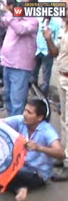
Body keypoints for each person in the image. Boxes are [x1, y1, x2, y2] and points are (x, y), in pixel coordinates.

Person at [0, 99, 65, 201]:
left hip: (36, 174)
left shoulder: (47, 131)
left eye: (29, 112)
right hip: (19, 164)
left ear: (40, 117)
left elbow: (61, 154)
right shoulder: (21, 120)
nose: (25, 114)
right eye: (25, 110)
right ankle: (19, 187)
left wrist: (39, 148)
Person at [0, 0, 39, 116]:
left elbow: (20, 30)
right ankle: (11, 123)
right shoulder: (14, 17)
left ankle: (16, 128)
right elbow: (0, 23)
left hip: (20, 66)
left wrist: (9, 13)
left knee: (17, 102)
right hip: (7, 63)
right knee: (7, 97)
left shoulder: (33, 21)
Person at [43, 1, 68, 180]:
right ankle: (64, 155)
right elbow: (55, 52)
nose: (62, 13)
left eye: (65, 9)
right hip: (61, 76)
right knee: (63, 119)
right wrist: (48, 38)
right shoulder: (63, 28)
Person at [30, 16, 60, 97]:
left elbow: (57, 39)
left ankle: (43, 97)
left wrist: (52, 47)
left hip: (47, 52)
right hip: (37, 51)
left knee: (46, 77)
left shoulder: (56, 24)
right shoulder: (38, 21)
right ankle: (34, 94)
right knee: (33, 74)